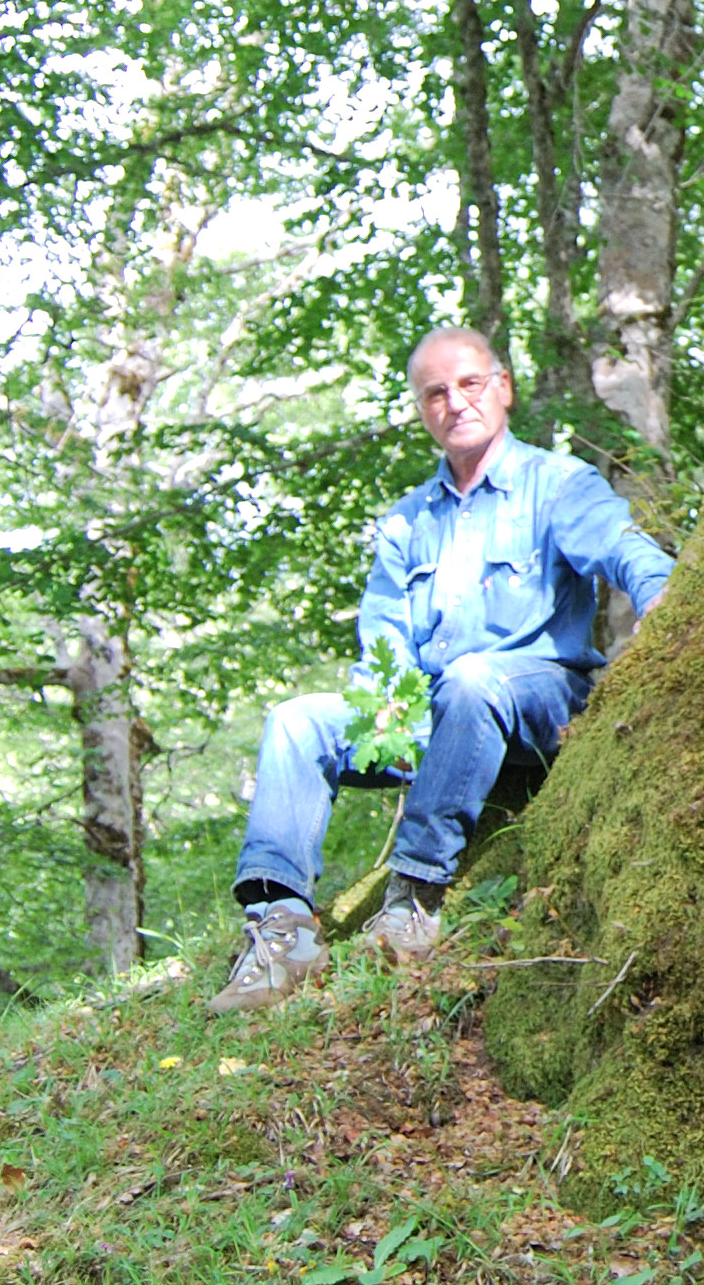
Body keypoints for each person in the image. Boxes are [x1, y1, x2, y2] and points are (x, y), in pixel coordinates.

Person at [207, 326, 674, 1015]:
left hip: (537, 698)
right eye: (436, 393)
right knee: (298, 720)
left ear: (503, 388)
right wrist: (387, 719)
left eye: (470, 384)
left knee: (473, 677)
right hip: (437, 711)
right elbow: (384, 643)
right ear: (421, 408)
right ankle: (283, 929)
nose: (455, 402)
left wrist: (663, 597)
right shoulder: (407, 523)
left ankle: (414, 895)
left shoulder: (557, 483)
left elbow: (623, 546)